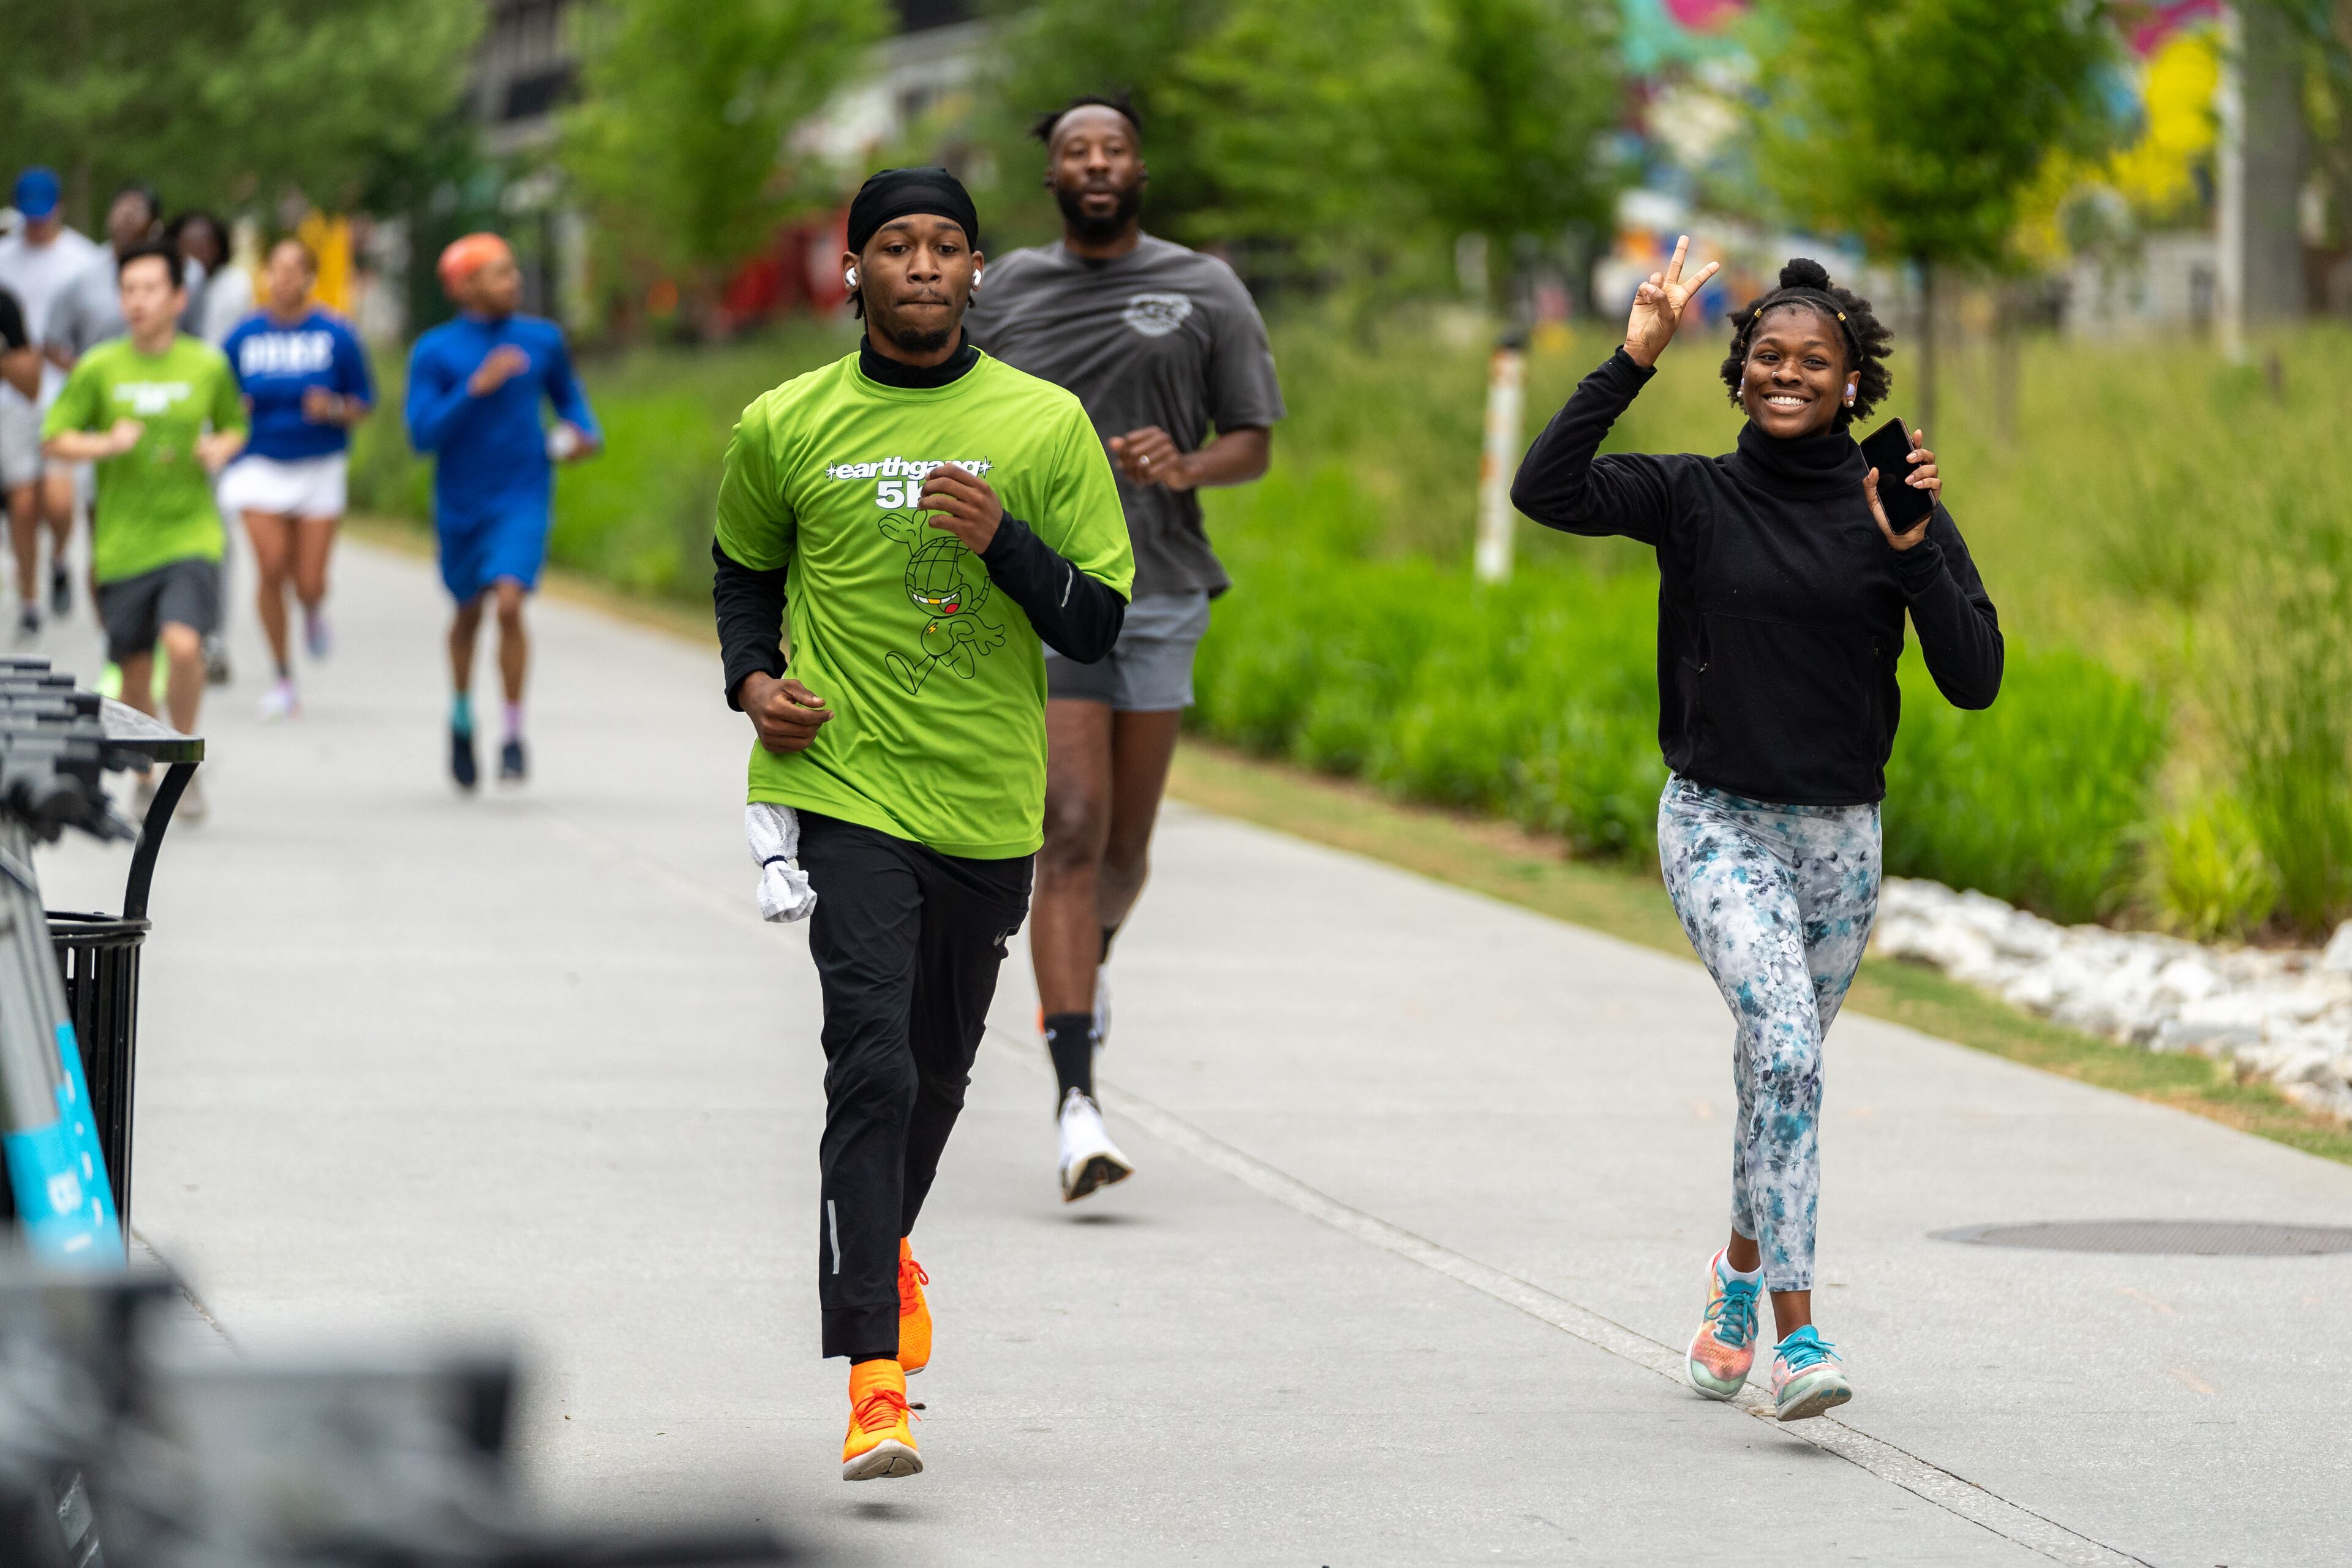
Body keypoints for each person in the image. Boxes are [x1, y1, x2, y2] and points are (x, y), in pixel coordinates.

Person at [1510, 244, 2003, 1422]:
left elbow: (1975, 676)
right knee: (1786, 1047)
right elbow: (1547, 489)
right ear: (1737, 376)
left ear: (1851, 385)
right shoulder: (1692, 495)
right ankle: (1800, 1336)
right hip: (1718, 822)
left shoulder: (1896, 508)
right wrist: (1633, 358)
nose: (1789, 374)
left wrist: (1916, 552)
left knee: (1775, 1075)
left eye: (1814, 361)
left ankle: (1734, 1276)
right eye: (1768, 357)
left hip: (1842, 842)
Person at [711, 167, 1131, 1481]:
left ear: (977, 272)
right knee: (873, 1061)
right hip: (848, 784)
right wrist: (751, 682)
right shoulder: (785, 421)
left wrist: (1006, 540)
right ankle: (876, 1375)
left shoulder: (1043, 422)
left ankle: (885, 1240)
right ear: (852, 270)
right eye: (896, 244)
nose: (923, 265)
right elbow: (744, 571)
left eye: (947, 245)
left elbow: (1098, 622)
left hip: (983, 798)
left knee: (940, 1074)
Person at [965, 94, 1283, 1201]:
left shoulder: (1206, 289)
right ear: (1050, 176)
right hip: (1039, 593)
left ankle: (1077, 988)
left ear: (1140, 169)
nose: (1095, 164)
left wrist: (1185, 465)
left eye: (1113, 149)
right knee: (1069, 828)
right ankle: (1076, 1101)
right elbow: (943, 408)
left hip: (1159, 589)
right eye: (1073, 151)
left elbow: (1253, 443)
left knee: (1127, 856)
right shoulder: (1001, 291)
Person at [41, 242, 246, 820]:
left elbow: (235, 424)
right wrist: (105, 444)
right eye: (128, 290)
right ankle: (145, 767)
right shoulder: (100, 366)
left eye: (150, 289)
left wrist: (219, 448)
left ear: (179, 298)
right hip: (123, 543)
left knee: (183, 645)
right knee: (134, 671)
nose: (137, 301)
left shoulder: (207, 364)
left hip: (190, 534)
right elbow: (56, 437)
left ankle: (184, 760)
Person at [404, 233, 600, 788]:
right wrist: (476, 386)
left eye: (513, 271)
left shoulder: (542, 341)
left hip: (523, 494)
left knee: (510, 603)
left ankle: (513, 734)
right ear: (465, 286)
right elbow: (422, 434)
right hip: (462, 503)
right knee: (469, 613)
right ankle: (463, 717)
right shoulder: (435, 351)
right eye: (499, 273)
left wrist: (584, 434)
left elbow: (571, 402)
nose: (513, 282)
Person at [220, 239, 373, 718]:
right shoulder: (244, 335)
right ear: (265, 276)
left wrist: (331, 408)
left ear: (309, 277)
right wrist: (231, 415)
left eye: (294, 270)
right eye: (276, 269)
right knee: (270, 566)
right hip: (259, 462)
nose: (284, 279)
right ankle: (283, 675)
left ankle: (311, 609)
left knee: (308, 581)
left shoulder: (336, 333)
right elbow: (220, 395)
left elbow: (363, 401)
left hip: (318, 464)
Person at [0, 168, 101, 639]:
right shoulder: (5, 257)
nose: (36, 226)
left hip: (66, 391)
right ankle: (29, 599)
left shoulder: (83, 259)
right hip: (14, 396)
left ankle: (59, 558)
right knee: (22, 505)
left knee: (59, 505)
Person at [170, 211, 253, 347]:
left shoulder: (235, 282)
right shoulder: (169, 283)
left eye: (204, 245)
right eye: (189, 246)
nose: (198, 253)